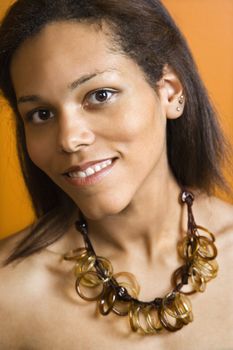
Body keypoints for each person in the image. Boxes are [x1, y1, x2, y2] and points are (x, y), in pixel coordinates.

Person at [0, 0, 233, 349]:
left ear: (169, 91)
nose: (69, 138)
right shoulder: (10, 293)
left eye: (100, 95)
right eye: (41, 114)